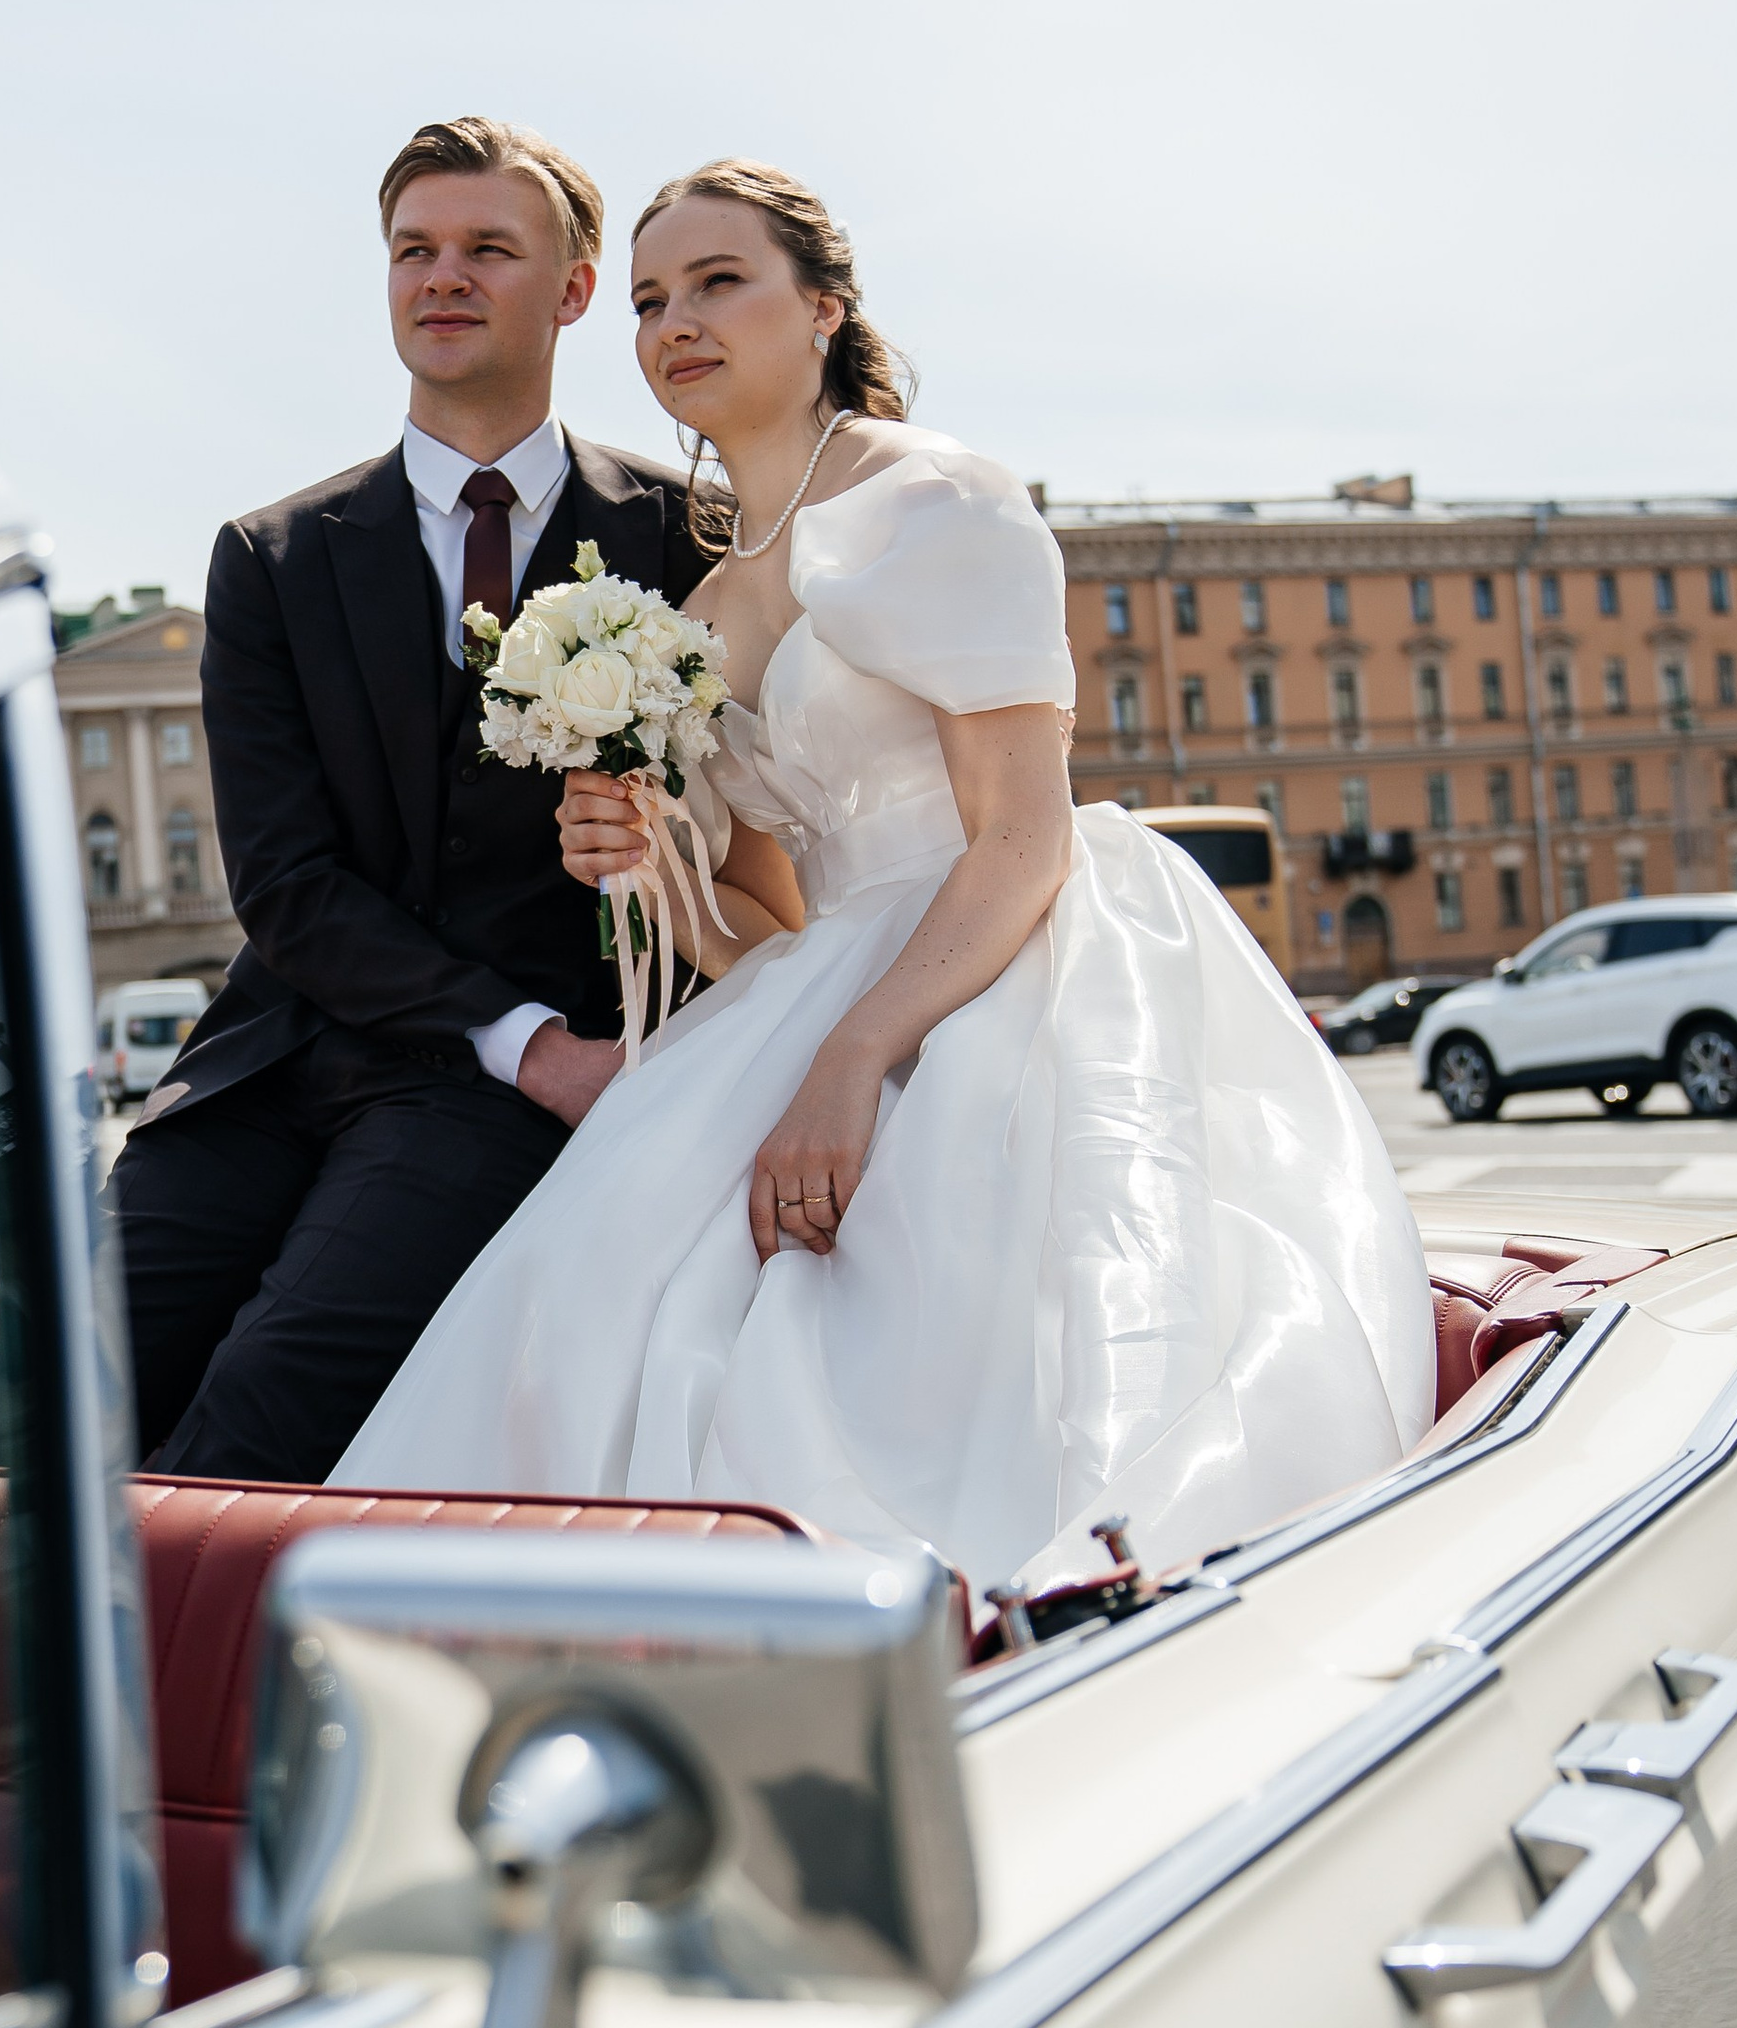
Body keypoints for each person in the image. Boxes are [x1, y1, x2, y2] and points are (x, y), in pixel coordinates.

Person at [334, 160, 1435, 1583]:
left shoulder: (938, 499)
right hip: (832, 977)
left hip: (1006, 952)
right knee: (593, 1293)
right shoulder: (709, 600)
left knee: (967, 1321)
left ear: (824, 308)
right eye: (653, 297)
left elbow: (1024, 836)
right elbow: (767, 931)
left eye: (722, 283)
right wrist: (650, 865)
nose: (677, 321)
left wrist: (848, 1065)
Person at [112, 114, 711, 1479]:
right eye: (414, 251)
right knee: (44, 1396)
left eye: (489, 249)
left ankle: (156, 1689)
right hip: (271, 1063)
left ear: (570, 291)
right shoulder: (270, 556)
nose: (443, 277)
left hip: (484, 1101)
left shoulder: (685, 537)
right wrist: (525, 1039)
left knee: (257, 1415)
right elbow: (281, 878)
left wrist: (554, 1045)